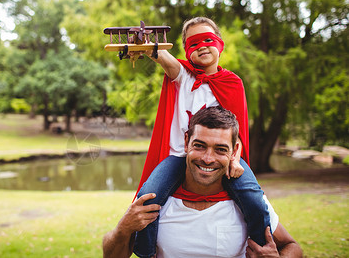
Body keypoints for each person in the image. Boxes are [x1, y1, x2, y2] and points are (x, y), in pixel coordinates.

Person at [132, 17, 269, 257]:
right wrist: (146, 43)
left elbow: (239, 130)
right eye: (194, 44)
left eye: (208, 40)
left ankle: (260, 247)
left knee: (256, 201)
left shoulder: (233, 83)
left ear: (220, 45)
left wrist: (235, 160)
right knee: (147, 196)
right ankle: (146, 251)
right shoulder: (182, 75)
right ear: (187, 51)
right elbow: (161, 55)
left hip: (225, 156)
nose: (202, 46)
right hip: (179, 157)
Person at [103, 107, 303, 258]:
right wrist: (123, 228)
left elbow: (292, 247)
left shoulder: (250, 203)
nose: (208, 158)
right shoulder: (156, 202)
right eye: (199, 145)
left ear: (234, 152)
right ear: (186, 141)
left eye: (220, 149)